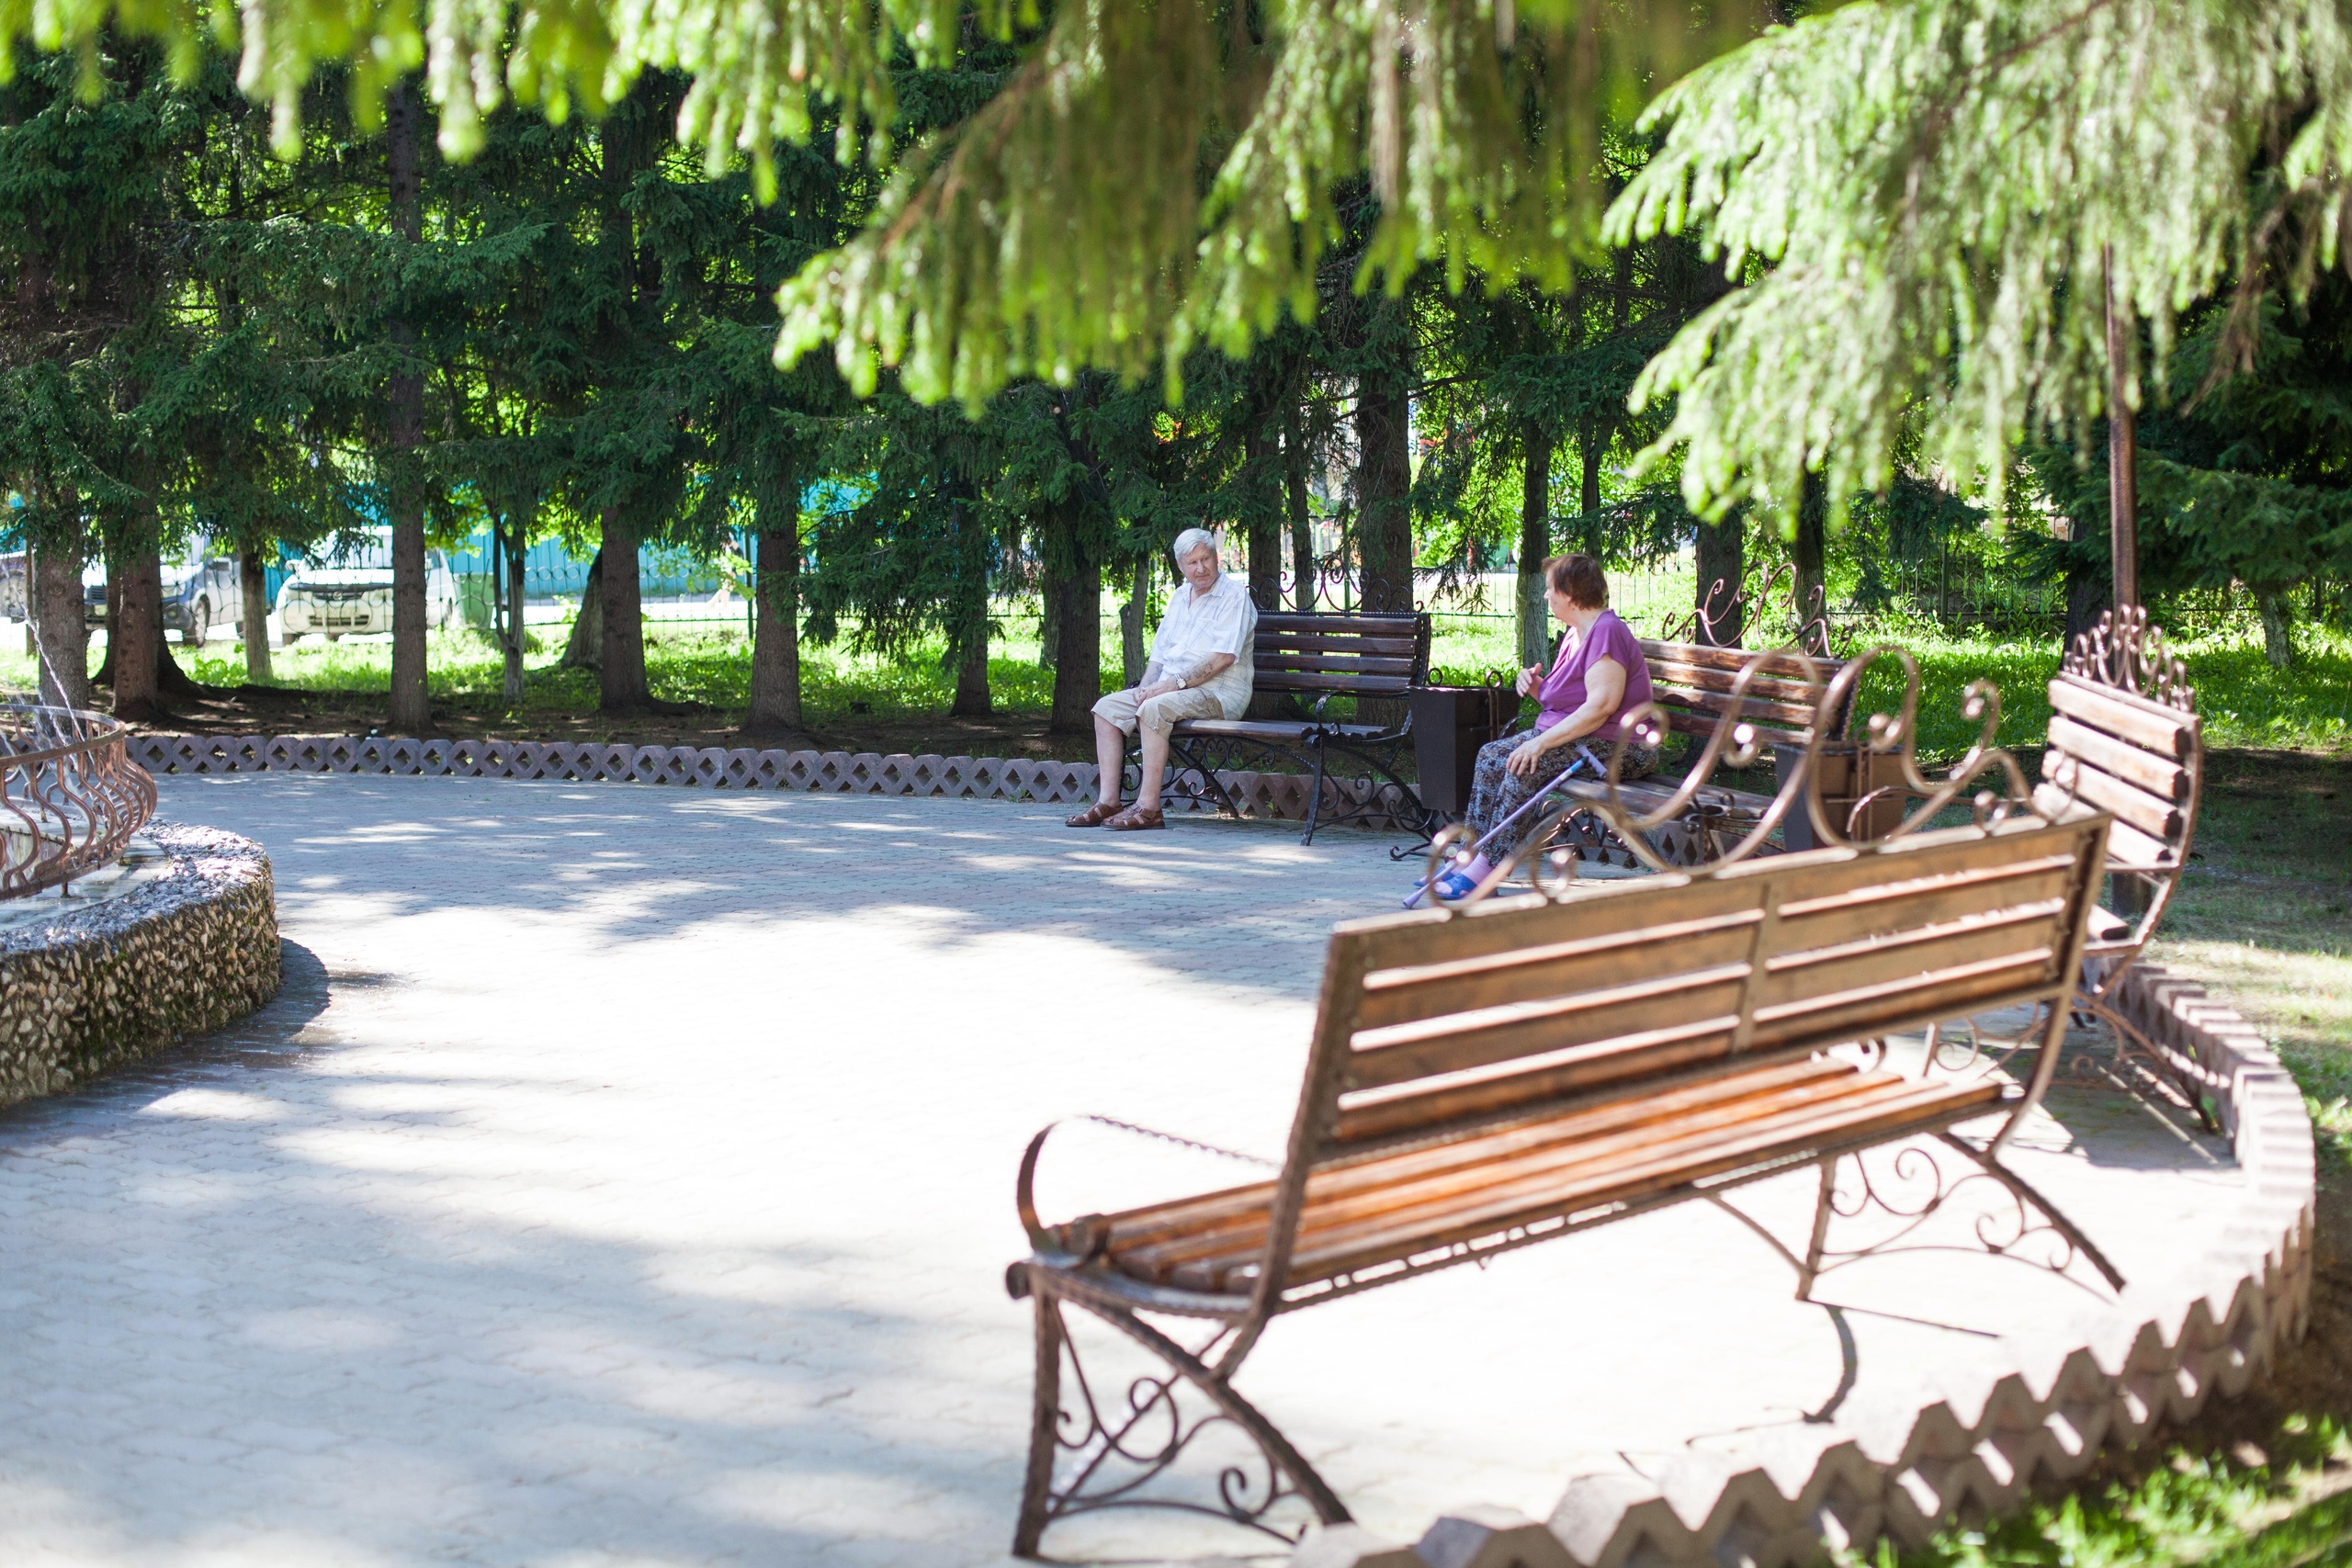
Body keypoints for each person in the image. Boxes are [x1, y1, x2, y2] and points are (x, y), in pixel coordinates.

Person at [1418, 552, 1659, 900]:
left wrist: (1541, 743)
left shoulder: (1606, 632)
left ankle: (1485, 872)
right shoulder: (1576, 633)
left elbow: (1600, 707)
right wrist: (1534, 686)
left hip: (1622, 747)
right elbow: (1564, 700)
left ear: (1570, 593)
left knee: (1524, 765)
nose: (1546, 595)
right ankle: (1468, 857)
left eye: (1550, 589)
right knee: (1491, 756)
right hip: (1584, 741)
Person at [1067, 528, 1258, 831]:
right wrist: (1146, 688)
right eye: (1192, 562)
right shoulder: (1181, 596)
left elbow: (1222, 658)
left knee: (1154, 708)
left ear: (1216, 557)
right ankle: (1109, 802)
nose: (1200, 568)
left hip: (1219, 693)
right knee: (1106, 709)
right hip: (1172, 690)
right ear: (1180, 566)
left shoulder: (1234, 596)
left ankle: (1149, 809)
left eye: (1206, 559)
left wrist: (1169, 686)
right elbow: (1159, 656)